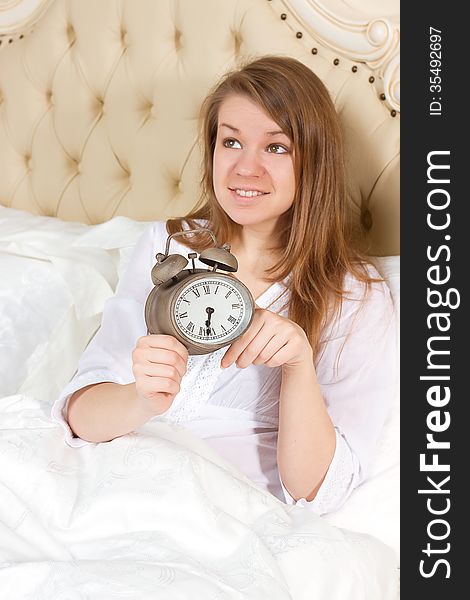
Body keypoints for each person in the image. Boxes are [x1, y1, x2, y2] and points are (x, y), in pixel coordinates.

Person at [51, 56, 397, 513]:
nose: (244, 169)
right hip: (108, 479)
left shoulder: (355, 294)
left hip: (224, 513)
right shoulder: (166, 244)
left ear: (314, 160)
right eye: (231, 141)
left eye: (276, 148)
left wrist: (297, 364)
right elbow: (80, 415)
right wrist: (141, 398)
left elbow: (316, 490)